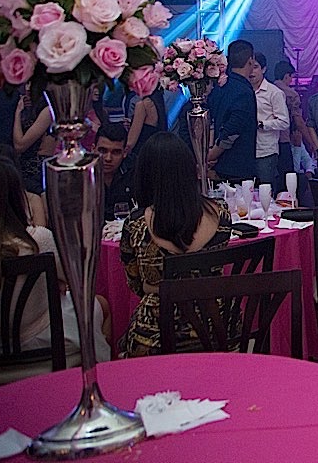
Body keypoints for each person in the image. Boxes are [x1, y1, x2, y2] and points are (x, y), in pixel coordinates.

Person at [0, 157, 111, 363]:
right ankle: (101, 371)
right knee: (100, 304)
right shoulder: (37, 240)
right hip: (42, 339)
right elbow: (72, 279)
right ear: (17, 195)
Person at [119, 132, 232, 357]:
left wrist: (156, 286)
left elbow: (136, 284)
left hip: (155, 336)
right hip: (218, 330)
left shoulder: (136, 224)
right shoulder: (222, 215)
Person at [206, 39, 258, 184]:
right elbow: (232, 129)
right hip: (236, 167)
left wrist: (209, 151)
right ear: (251, 61)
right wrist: (210, 155)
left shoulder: (221, 86)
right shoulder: (244, 91)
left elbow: (212, 122)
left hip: (218, 164)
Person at [249, 53, 289, 193]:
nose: (251, 71)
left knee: (265, 191)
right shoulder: (244, 91)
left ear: (264, 69)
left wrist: (262, 124)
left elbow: (284, 122)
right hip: (246, 150)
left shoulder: (274, 92)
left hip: (266, 151)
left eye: (255, 67)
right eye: (249, 67)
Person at [96, 123, 137, 220]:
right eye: (103, 151)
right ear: (93, 149)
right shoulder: (83, 176)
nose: (108, 158)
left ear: (125, 152)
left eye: (116, 152)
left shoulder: (134, 172)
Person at [124, 85, 167, 162]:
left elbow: (130, 142)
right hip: (157, 151)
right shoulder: (158, 102)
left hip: (141, 154)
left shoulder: (142, 105)